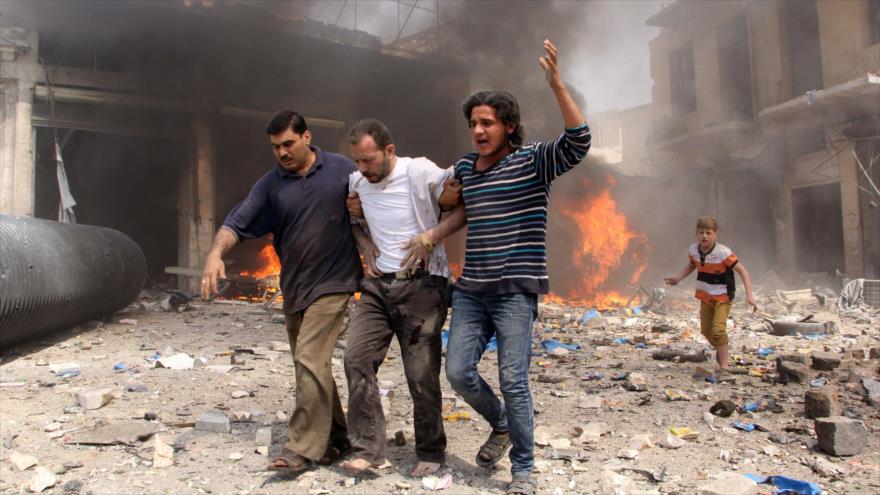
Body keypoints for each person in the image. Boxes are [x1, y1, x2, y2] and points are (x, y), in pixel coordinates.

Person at [439, 40, 591, 495]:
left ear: (508, 125)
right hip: (471, 290)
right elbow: (445, 198)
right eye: (473, 124)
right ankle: (500, 423)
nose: (479, 131)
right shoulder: (466, 166)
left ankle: (524, 469)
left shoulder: (533, 161)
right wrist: (441, 202)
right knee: (458, 372)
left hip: (514, 292)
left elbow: (579, 141)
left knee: (513, 379)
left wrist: (557, 85)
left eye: (487, 123)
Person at [201, 110, 368, 473]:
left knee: (309, 358)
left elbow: (377, 197)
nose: (282, 152)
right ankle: (337, 436)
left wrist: (363, 211)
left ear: (306, 137)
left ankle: (301, 448)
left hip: (335, 283)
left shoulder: (342, 170)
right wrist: (215, 254)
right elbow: (236, 222)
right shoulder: (270, 184)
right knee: (312, 365)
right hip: (295, 286)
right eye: (276, 147)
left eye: (288, 143)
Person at [339, 119, 454, 477]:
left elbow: (462, 199)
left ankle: (431, 451)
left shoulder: (419, 171)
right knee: (356, 358)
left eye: (369, 160)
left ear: (390, 150)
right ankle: (368, 450)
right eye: (357, 160)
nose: (362, 168)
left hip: (421, 286)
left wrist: (430, 237)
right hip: (376, 287)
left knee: (420, 373)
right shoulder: (357, 182)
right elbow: (355, 221)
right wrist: (364, 244)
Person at [664, 216, 756, 380]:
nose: (704, 236)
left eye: (708, 232)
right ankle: (723, 351)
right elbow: (692, 265)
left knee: (718, 330)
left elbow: (743, 271)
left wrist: (750, 295)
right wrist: (678, 278)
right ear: (697, 234)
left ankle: (725, 367)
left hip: (723, 296)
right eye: (701, 233)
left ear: (715, 235)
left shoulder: (723, 252)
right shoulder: (693, 249)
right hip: (705, 295)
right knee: (706, 331)